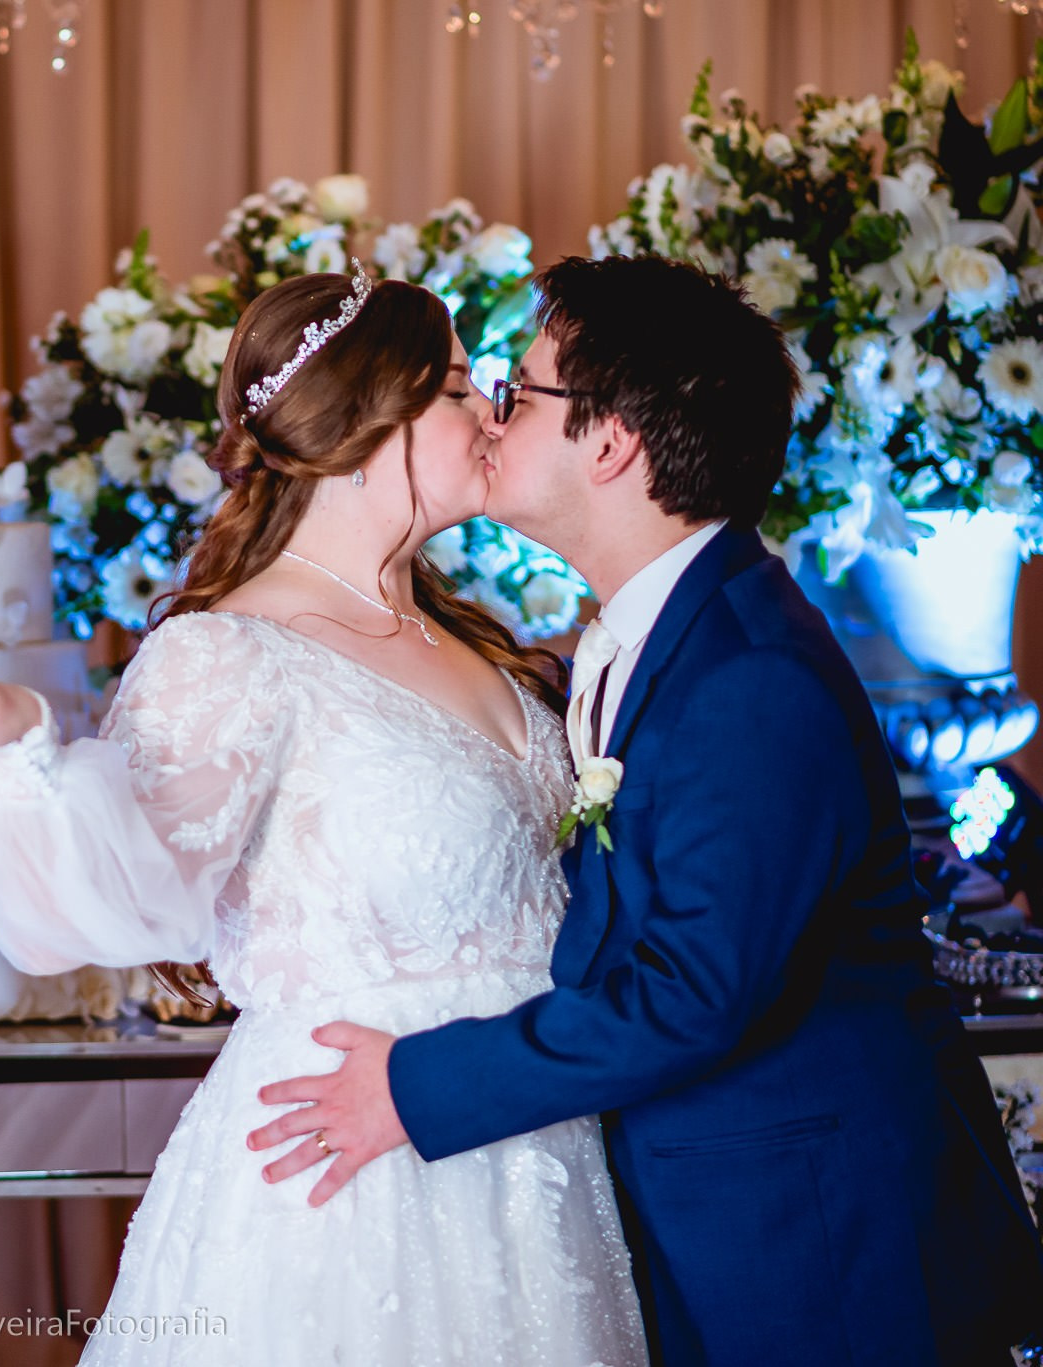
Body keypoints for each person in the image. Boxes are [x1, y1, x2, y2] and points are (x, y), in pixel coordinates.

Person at [0, 268, 649, 1363]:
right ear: (367, 417)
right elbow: (139, 889)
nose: (490, 412)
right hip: (354, 1174)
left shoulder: (472, 636)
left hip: (536, 1153)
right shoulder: (231, 651)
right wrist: (30, 748)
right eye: (455, 387)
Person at [252, 255, 1043, 1364]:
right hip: (727, 1222)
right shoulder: (652, 639)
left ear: (610, 440)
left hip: (823, 1246)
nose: (488, 414)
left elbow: (689, 991)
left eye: (516, 392)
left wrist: (413, 1084)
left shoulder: (747, 675)